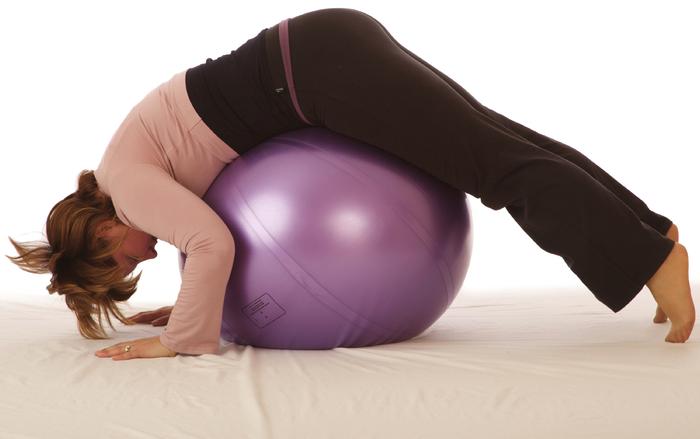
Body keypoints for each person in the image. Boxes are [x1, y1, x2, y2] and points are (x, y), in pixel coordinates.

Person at [6, 8, 694, 361]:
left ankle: (651, 261)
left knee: (494, 166)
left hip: (313, 71)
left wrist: (184, 334)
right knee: (502, 140)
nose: (147, 258)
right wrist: (189, 306)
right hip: (318, 49)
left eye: (126, 260)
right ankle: (648, 232)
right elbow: (202, 249)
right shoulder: (125, 165)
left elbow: (210, 243)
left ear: (101, 228)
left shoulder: (125, 184)